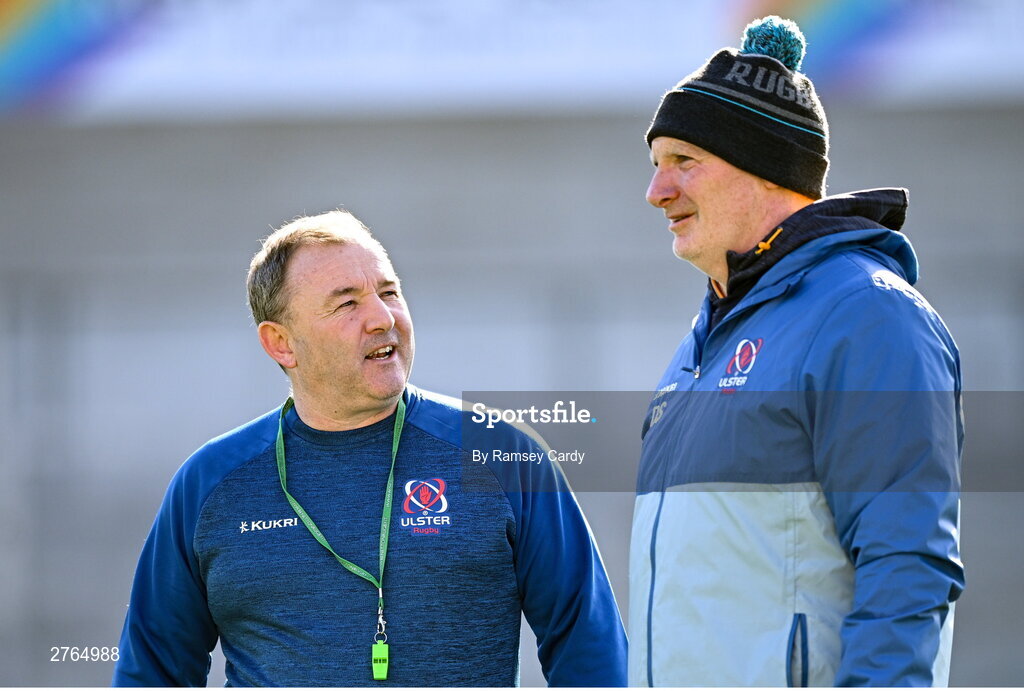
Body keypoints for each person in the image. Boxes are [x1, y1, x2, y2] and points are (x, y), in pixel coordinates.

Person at [113, 209, 627, 686]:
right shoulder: (208, 481)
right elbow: (153, 668)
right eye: (347, 303)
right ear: (281, 343)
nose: (383, 318)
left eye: (389, 292)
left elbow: (589, 644)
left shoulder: (498, 452)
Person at [629, 16, 964, 687]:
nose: (657, 192)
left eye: (683, 163)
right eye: (656, 165)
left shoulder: (870, 317)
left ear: (763, 167)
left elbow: (907, 563)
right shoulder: (702, 345)